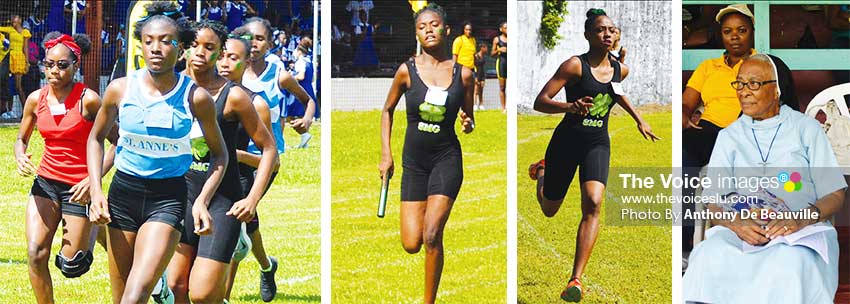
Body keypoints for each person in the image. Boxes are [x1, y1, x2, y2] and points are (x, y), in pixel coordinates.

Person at [86, 2, 228, 302]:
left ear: (182, 48)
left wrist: (201, 201)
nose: (156, 48)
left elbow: (220, 156)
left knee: (134, 295)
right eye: (148, 41)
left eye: (166, 41)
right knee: (121, 296)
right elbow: (96, 138)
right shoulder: (119, 89)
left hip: (167, 199)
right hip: (123, 195)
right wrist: (97, 191)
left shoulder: (196, 97)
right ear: (140, 45)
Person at [683, 54, 847, 303]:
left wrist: (798, 220)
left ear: (777, 89)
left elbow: (835, 194)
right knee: (709, 256)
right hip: (741, 232)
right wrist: (736, 224)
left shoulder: (806, 129)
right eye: (739, 83)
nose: (743, 92)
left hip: (797, 234)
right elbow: (713, 200)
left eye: (754, 83)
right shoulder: (730, 136)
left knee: (789, 264)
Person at [526, 8, 660, 302]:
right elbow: (540, 102)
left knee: (595, 202)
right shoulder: (574, 66)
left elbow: (617, 91)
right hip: (565, 144)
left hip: (597, 143)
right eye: (601, 30)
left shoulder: (620, 68)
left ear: (617, 35)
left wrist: (639, 118)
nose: (607, 34)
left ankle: (575, 279)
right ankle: (543, 171)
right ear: (588, 35)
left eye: (611, 30)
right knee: (549, 209)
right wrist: (569, 107)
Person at [164, 19, 278, 304]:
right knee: (176, 287)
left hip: (222, 201)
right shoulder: (171, 89)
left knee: (202, 294)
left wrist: (251, 199)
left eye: (209, 47)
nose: (200, 52)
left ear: (219, 52)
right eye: (194, 45)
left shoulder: (234, 97)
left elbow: (270, 152)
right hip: (181, 196)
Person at [379, 4, 475, 303]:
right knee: (412, 243)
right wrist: (386, 154)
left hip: (447, 160)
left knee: (432, 233)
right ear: (416, 33)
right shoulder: (406, 71)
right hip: (414, 164)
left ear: (447, 30)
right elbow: (387, 110)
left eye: (434, 25)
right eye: (422, 27)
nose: (428, 30)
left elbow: (469, 117)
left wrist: (468, 121)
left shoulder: (465, 75)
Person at [15, 31, 112, 304]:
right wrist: (20, 154)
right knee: (35, 253)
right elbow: (21, 139)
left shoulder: (89, 99)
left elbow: (118, 143)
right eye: (49, 64)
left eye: (62, 65)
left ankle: (98, 224)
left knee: (73, 266)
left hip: (79, 187)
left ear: (75, 66)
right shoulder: (36, 99)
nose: (54, 71)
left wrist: (93, 182)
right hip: (46, 182)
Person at [238, 17, 317, 301]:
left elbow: (309, 100)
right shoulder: (230, 71)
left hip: (264, 160)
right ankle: (266, 266)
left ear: (270, 44)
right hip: (232, 155)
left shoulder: (278, 74)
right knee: (240, 219)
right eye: (248, 38)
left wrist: (306, 121)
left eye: (259, 38)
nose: (253, 43)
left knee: (242, 213)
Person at [682, 4, 757, 253]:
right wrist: (683, 114)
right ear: (721, 35)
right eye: (728, 31)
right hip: (709, 128)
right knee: (683, 162)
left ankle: (737, 237)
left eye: (741, 30)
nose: (734, 36)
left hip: (746, 129)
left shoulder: (763, 64)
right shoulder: (708, 66)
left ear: (752, 32)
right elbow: (687, 101)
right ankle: (686, 239)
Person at [217, 29, 281, 303]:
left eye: (233, 58)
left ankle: (224, 296)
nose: (225, 63)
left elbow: (272, 159)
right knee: (249, 229)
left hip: (243, 176)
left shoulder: (256, 103)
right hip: (202, 174)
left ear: (247, 63)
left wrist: (239, 156)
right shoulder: (197, 94)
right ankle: (267, 266)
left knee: (234, 233)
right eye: (222, 56)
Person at [0, 15, 32, 119]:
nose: (13, 19)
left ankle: (26, 111)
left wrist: (27, 62)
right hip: (9, 58)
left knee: (18, 86)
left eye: (15, 18)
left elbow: (26, 48)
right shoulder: (10, 30)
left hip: (19, 58)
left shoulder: (25, 32)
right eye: (12, 18)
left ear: (20, 20)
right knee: (8, 84)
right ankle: (9, 110)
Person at [288, 44, 316, 148]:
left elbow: (301, 76)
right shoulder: (309, 61)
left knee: (291, 114)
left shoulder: (300, 62)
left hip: (301, 88)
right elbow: (312, 78)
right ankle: (305, 140)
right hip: (309, 88)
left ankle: (304, 135)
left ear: (299, 51)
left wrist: (290, 78)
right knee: (304, 114)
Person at [491, 21, 507, 112]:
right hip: (502, 63)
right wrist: (499, 50)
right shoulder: (497, 40)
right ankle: (503, 107)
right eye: (505, 28)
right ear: (501, 29)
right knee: (502, 87)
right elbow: (492, 53)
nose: (507, 30)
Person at [473, 42, 487, 111]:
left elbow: (483, 67)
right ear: (482, 48)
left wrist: (484, 78)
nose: (486, 49)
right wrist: (475, 77)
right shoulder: (476, 56)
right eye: (485, 47)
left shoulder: (483, 56)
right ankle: (475, 104)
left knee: (481, 90)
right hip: (476, 74)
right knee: (476, 90)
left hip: (482, 74)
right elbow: (474, 66)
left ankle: (481, 104)